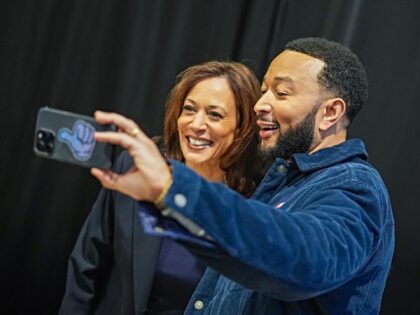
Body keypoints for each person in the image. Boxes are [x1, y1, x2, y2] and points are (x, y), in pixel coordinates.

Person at [91, 38, 394, 314]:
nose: (260, 105)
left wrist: (174, 187)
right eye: (264, 92)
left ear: (331, 113)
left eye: (282, 93)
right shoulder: (285, 180)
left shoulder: (354, 186)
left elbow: (304, 259)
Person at [59, 61, 262, 315]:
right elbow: (86, 264)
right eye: (189, 109)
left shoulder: (258, 202)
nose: (196, 124)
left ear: (243, 127)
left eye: (215, 115)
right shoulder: (136, 167)